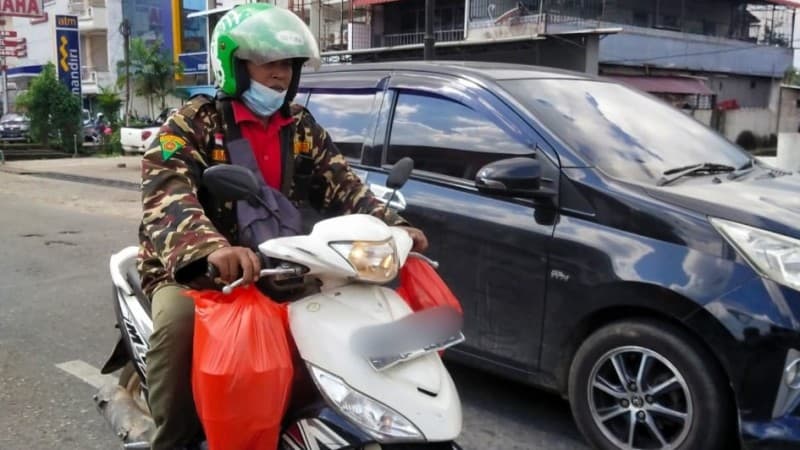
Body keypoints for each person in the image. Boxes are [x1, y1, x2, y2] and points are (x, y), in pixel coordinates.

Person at [137, 4, 428, 449]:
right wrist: (209, 249)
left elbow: (343, 184)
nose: (280, 74)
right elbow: (167, 189)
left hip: (282, 261)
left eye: (287, 64)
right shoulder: (193, 122)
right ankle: (172, 439)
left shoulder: (300, 125)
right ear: (234, 64)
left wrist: (393, 224)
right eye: (268, 62)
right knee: (179, 327)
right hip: (200, 272)